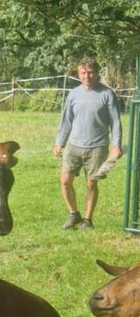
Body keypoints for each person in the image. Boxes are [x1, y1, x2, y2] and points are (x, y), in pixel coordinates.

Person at [53, 59, 122, 230]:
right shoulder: (73, 94)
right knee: (65, 180)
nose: (87, 76)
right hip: (73, 145)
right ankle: (73, 214)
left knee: (91, 183)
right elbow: (66, 121)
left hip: (97, 147)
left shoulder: (107, 93)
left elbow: (115, 122)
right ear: (79, 74)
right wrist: (59, 143)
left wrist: (116, 145)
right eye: (83, 73)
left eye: (90, 72)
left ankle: (87, 220)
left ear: (97, 73)